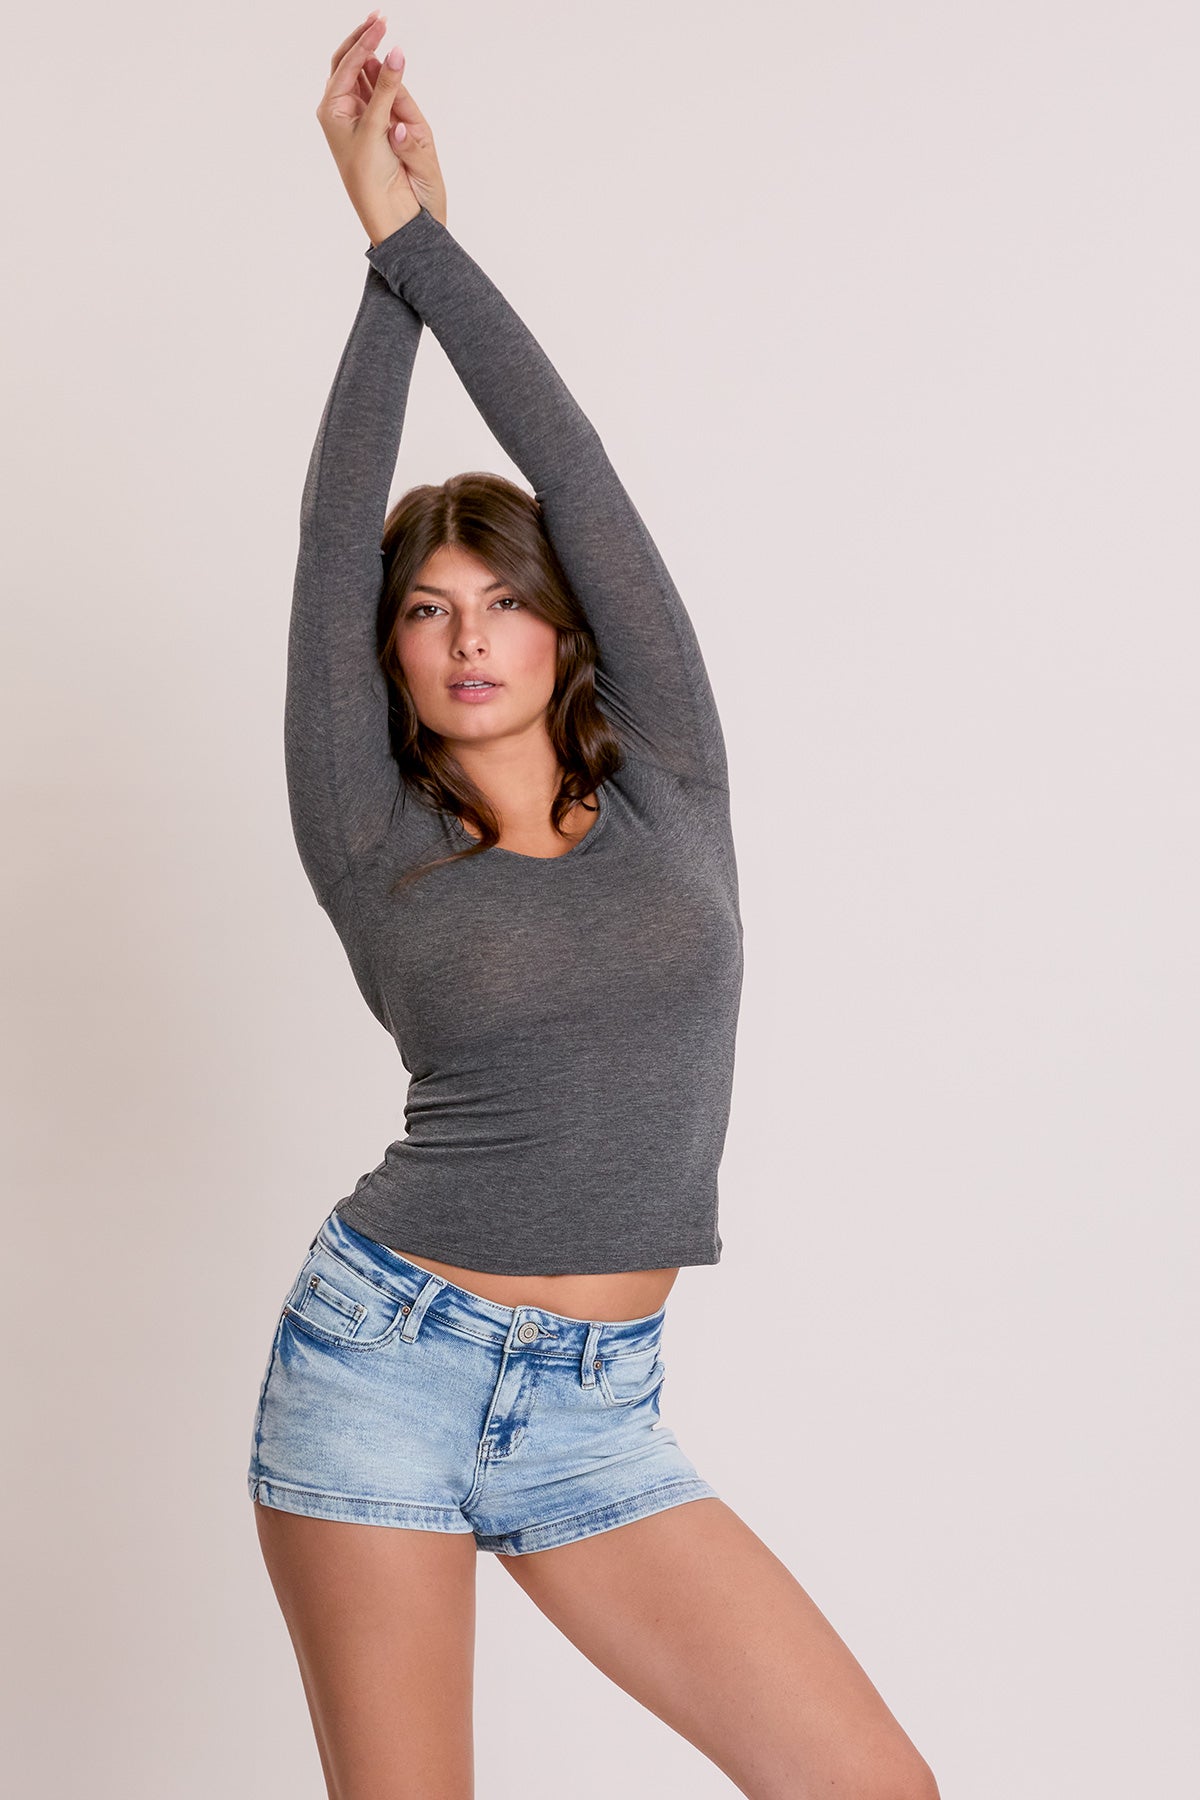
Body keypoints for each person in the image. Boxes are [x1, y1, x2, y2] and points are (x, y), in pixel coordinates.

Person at [246, 13, 941, 1799]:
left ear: (565, 627)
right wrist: (381, 272)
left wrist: (417, 246)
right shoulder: (365, 831)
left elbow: (586, 477)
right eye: (427, 612)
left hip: (598, 1412)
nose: (467, 636)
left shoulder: (674, 779)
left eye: (502, 598)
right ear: (393, 659)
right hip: (382, 1365)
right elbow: (329, 549)